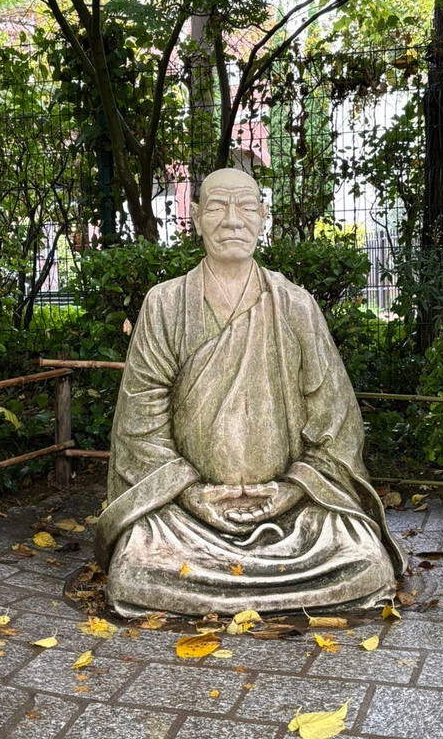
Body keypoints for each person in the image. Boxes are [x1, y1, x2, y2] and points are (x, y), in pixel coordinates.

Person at [94, 168, 403, 617]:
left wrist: (291, 491)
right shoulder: (164, 304)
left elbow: (334, 424)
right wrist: (191, 493)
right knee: (136, 569)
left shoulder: (295, 304)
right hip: (187, 514)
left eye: (245, 207)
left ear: (262, 216)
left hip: (292, 509)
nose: (232, 221)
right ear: (196, 217)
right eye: (218, 207)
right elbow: (141, 424)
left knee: (365, 563)